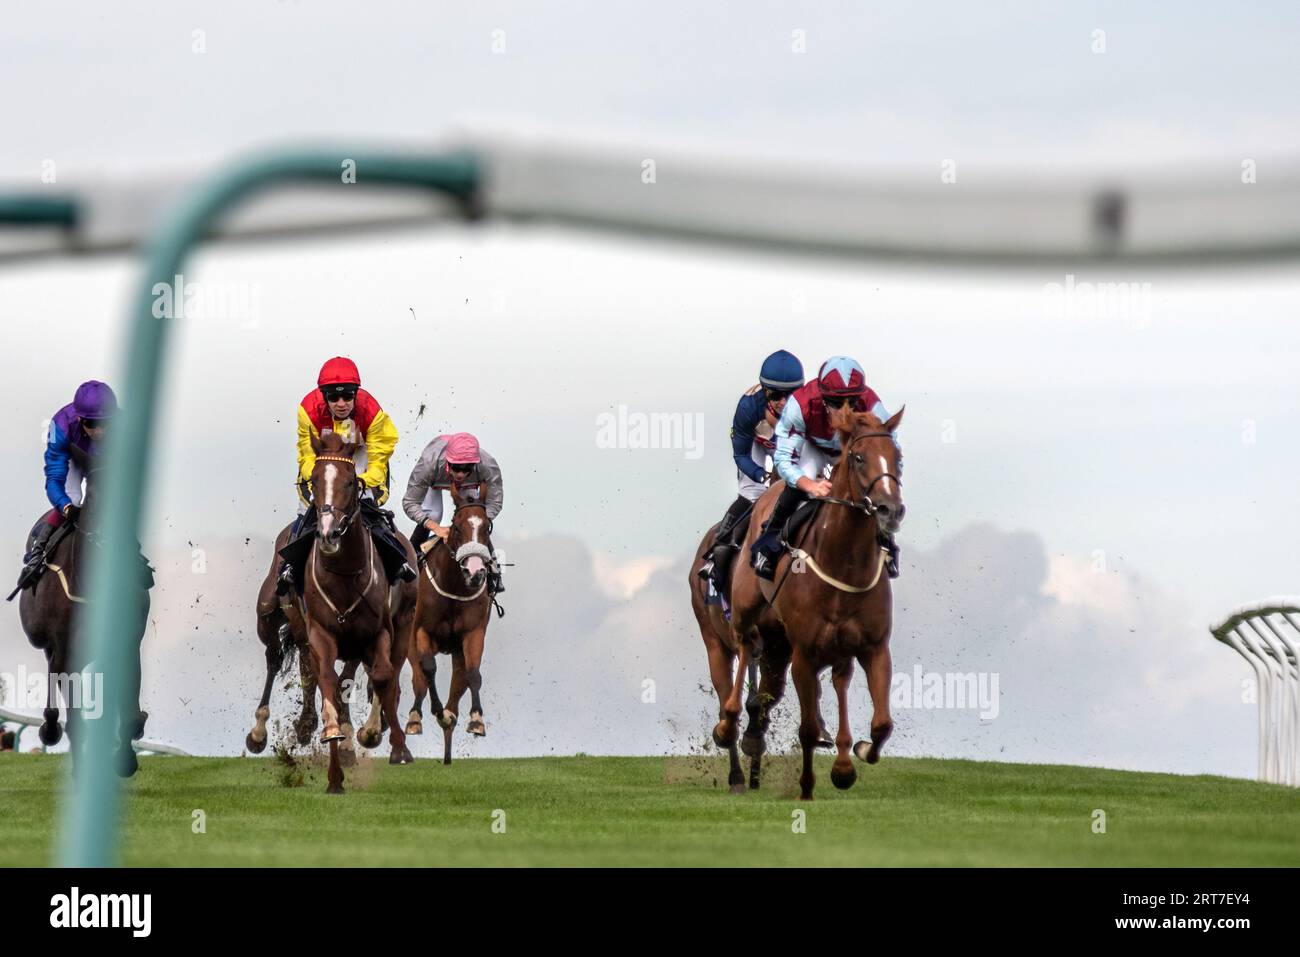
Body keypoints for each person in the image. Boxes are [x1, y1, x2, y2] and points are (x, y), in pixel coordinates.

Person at [750, 356, 901, 581]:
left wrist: (887, 483)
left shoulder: (872, 405)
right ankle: (771, 537)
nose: (846, 411)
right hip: (815, 446)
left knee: (873, 481)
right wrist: (809, 484)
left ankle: (886, 541)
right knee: (806, 475)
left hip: (851, 449)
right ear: (823, 399)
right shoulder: (800, 404)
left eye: (852, 401)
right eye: (837, 403)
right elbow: (783, 459)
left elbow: (892, 451)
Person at [276, 357, 416, 595]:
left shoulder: (372, 412)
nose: (341, 404)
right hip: (323, 458)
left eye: (348, 396)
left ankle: (397, 559)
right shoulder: (307, 409)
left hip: (359, 455)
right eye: (333, 397)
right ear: (323, 397)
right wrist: (321, 485)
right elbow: (307, 454)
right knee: (308, 509)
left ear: (356, 394)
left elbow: (379, 454)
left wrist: (364, 482)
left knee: (367, 505)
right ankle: (289, 566)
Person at [697, 350, 804, 589]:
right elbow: (741, 455)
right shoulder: (748, 407)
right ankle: (718, 552)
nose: (784, 402)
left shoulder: (809, 407)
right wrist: (759, 474)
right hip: (758, 448)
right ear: (765, 390)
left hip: (793, 448)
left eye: (791, 395)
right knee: (752, 493)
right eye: (776, 395)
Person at [12, 380, 117, 595]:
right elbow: (54, 478)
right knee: (74, 498)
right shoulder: (60, 427)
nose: (99, 431)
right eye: (91, 424)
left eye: (104, 423)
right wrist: (66, 507)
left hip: (107, 461)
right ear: (79, 419)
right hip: (73, 458)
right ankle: (38, 552)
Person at [403, 431, 505, 593]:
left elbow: (495, 502)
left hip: (469, 487)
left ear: (475, 464)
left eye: (467, 469)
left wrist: (480, 520)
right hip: (434, 480)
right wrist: (436, 528)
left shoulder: (487, 465)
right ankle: (407, 562)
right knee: (434, 513)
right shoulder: (429, 463)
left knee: (474, 519)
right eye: (456, 468)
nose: (460, 474)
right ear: (448, 461)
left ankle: (494, 570)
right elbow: (409, 502)